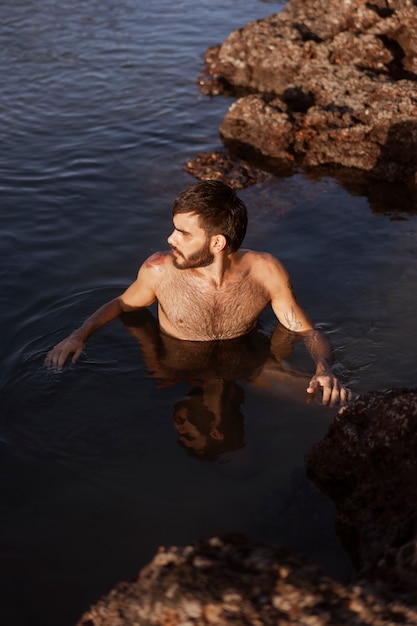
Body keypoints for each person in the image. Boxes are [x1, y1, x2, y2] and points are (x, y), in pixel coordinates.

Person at [46, 180, 352, 406]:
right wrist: (79, 335)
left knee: (334, 402)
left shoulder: (265, 271)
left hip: (243, 365)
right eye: (174, 228)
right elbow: (122, 304)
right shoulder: (159, 270)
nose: (170, 238)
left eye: (183, 233)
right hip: (177, 371)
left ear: (217, 243)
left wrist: (323, 369)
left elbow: (307, 331)